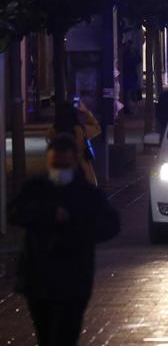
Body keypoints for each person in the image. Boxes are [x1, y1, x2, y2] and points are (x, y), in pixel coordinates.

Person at [10, 136, 120, 346]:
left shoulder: (87, 194)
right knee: (45, 335)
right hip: (39, 277)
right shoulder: (36, 188)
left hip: (73, 278)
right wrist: (47, 214)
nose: (59, 171)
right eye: (55, 165)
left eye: (64, 166)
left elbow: (110, 224)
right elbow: (14, 212)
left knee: (65, 335)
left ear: (75, 162)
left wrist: (80, 225)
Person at [47, 101, 101, 186]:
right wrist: (86, 112)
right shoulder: (81, 130)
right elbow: (97, 128)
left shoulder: (53, 132)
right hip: (81, 170)